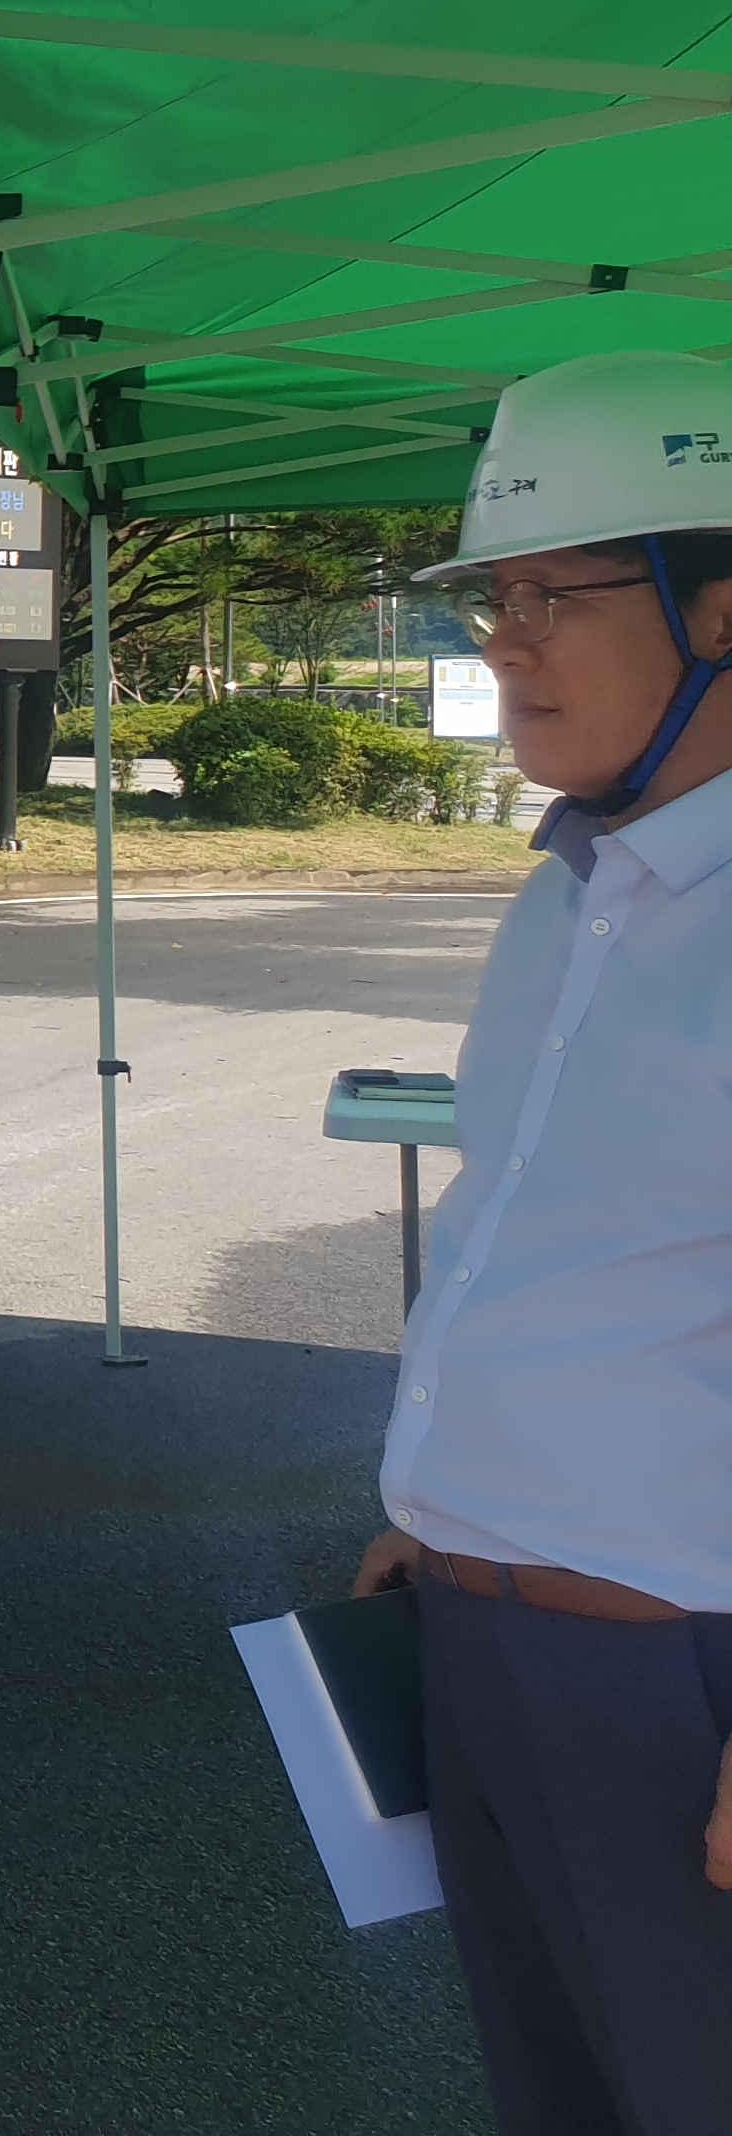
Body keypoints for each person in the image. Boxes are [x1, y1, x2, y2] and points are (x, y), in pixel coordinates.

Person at [341, 349, 732, 2136]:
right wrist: (442, 1489)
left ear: (719, 610)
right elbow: (530, 1242)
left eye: (548, 593)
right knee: (552, 2094)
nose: (499, 641)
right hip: (485, 1638)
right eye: (489, 597)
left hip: (675, 1677)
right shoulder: (566, 890)